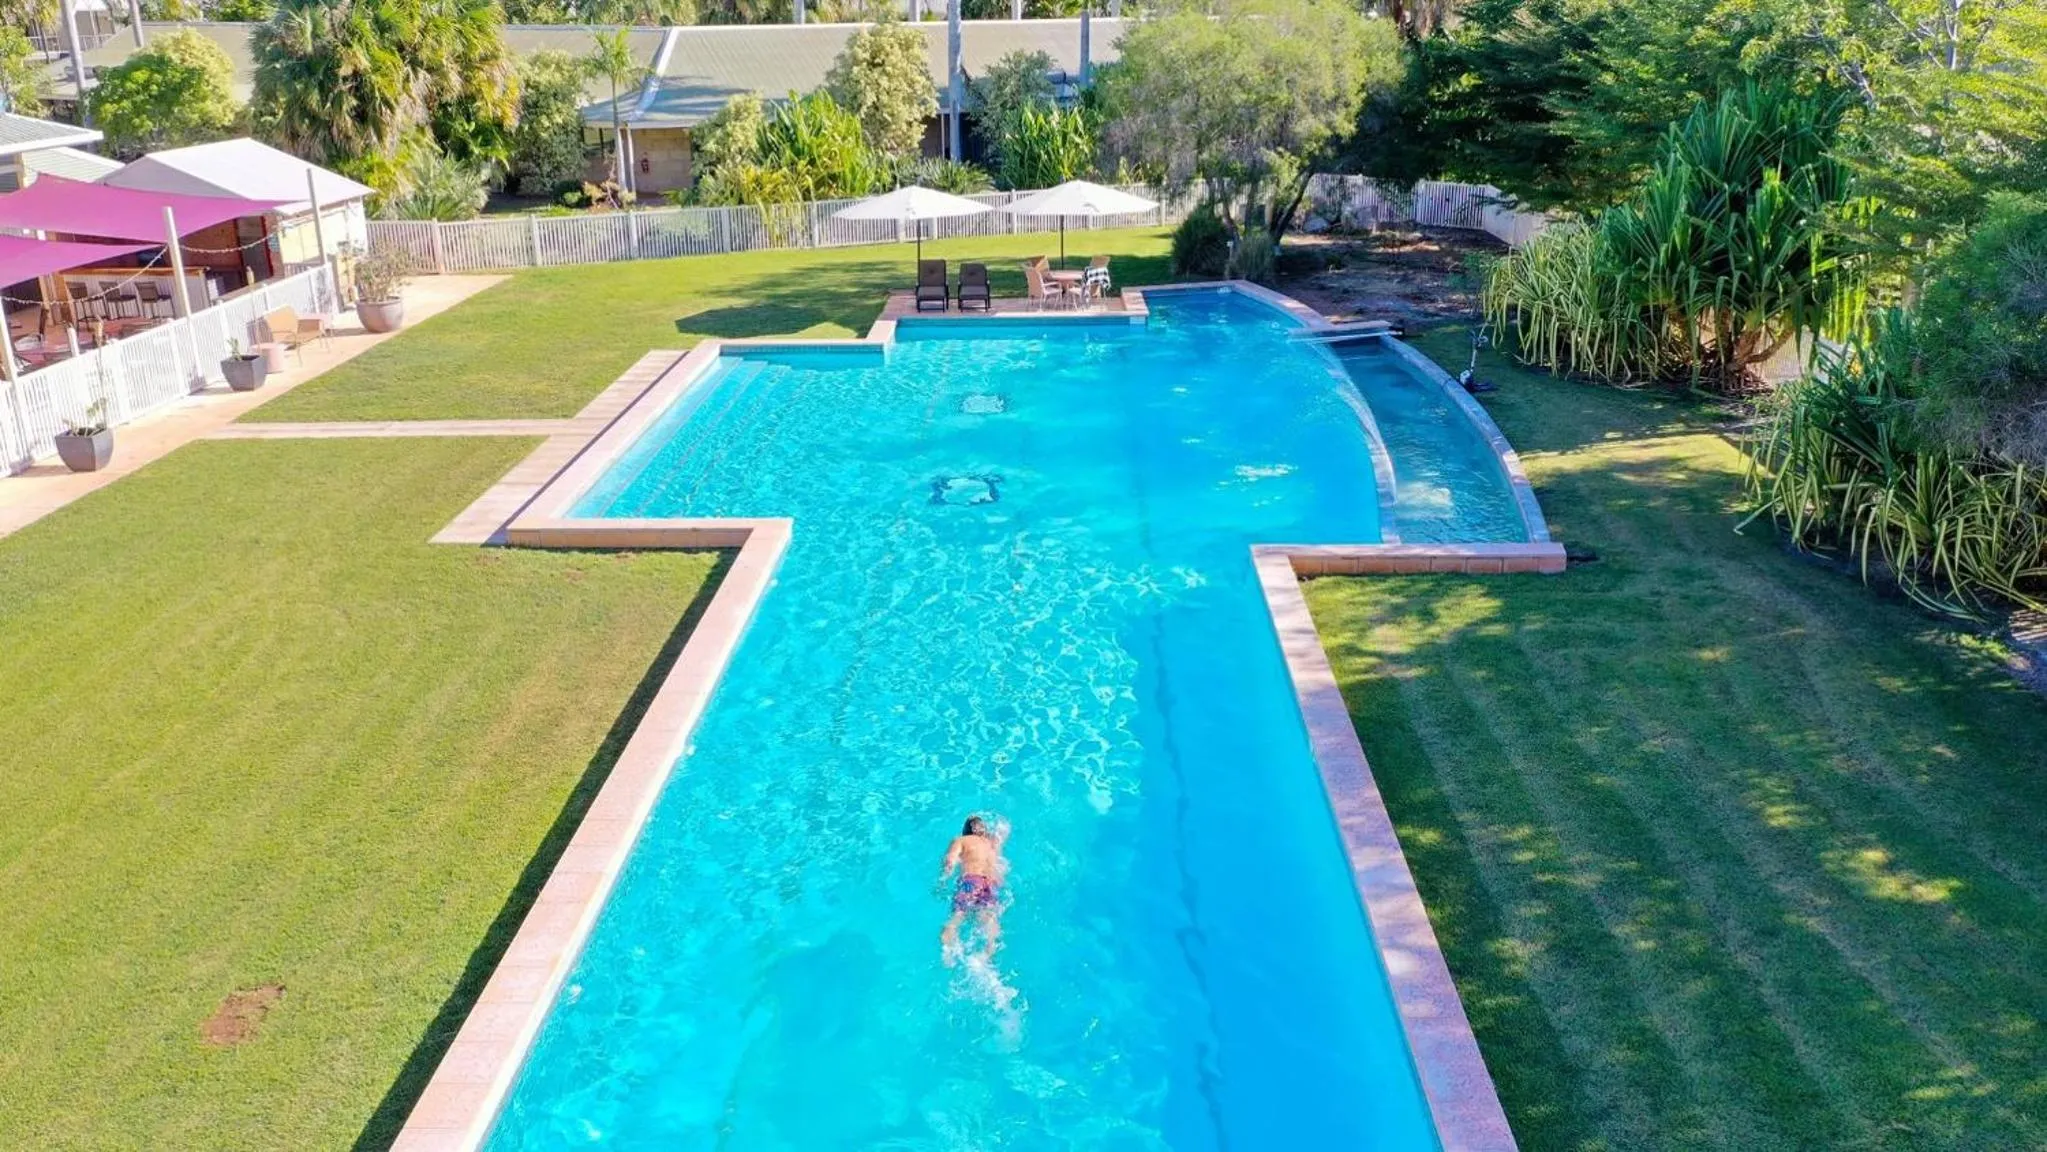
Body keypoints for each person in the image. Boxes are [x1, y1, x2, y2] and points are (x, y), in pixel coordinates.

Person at [939, 815, 1008, 961]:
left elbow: (950, 861)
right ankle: (988, 953)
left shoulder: (961, 840)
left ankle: (948, 952)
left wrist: (943, 880)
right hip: (991, 884)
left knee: (958, 916)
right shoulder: (992, 844)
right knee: (989, 918)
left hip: (972, 880)